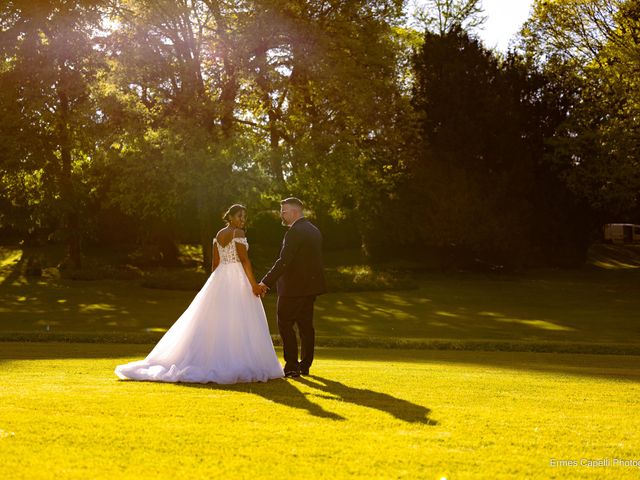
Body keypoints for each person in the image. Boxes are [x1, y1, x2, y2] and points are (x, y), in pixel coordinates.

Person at [114, 204, 284, 384]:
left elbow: (215, 265)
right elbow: (245, 261)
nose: (243, 220)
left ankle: (216, 357)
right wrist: (254, 285)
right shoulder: (237, 234)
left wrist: (215, 285)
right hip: (236, 278)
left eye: (245, 217)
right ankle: (236, 360)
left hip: (220, 278)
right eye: (240, 216)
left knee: (217, 320)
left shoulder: (219, 235)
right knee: (240, 318)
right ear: (231, 217)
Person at [258, 197, 326, 377]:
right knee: (306, 326)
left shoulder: (294, 232)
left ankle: (292, 366)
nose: (281, 214)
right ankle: (304, 365)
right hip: (310, 288)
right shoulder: (314, 230)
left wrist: (265, 282)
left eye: (284, 211)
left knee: (285, 324)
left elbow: (284, 261)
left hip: (293, 288)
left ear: (295, 212)